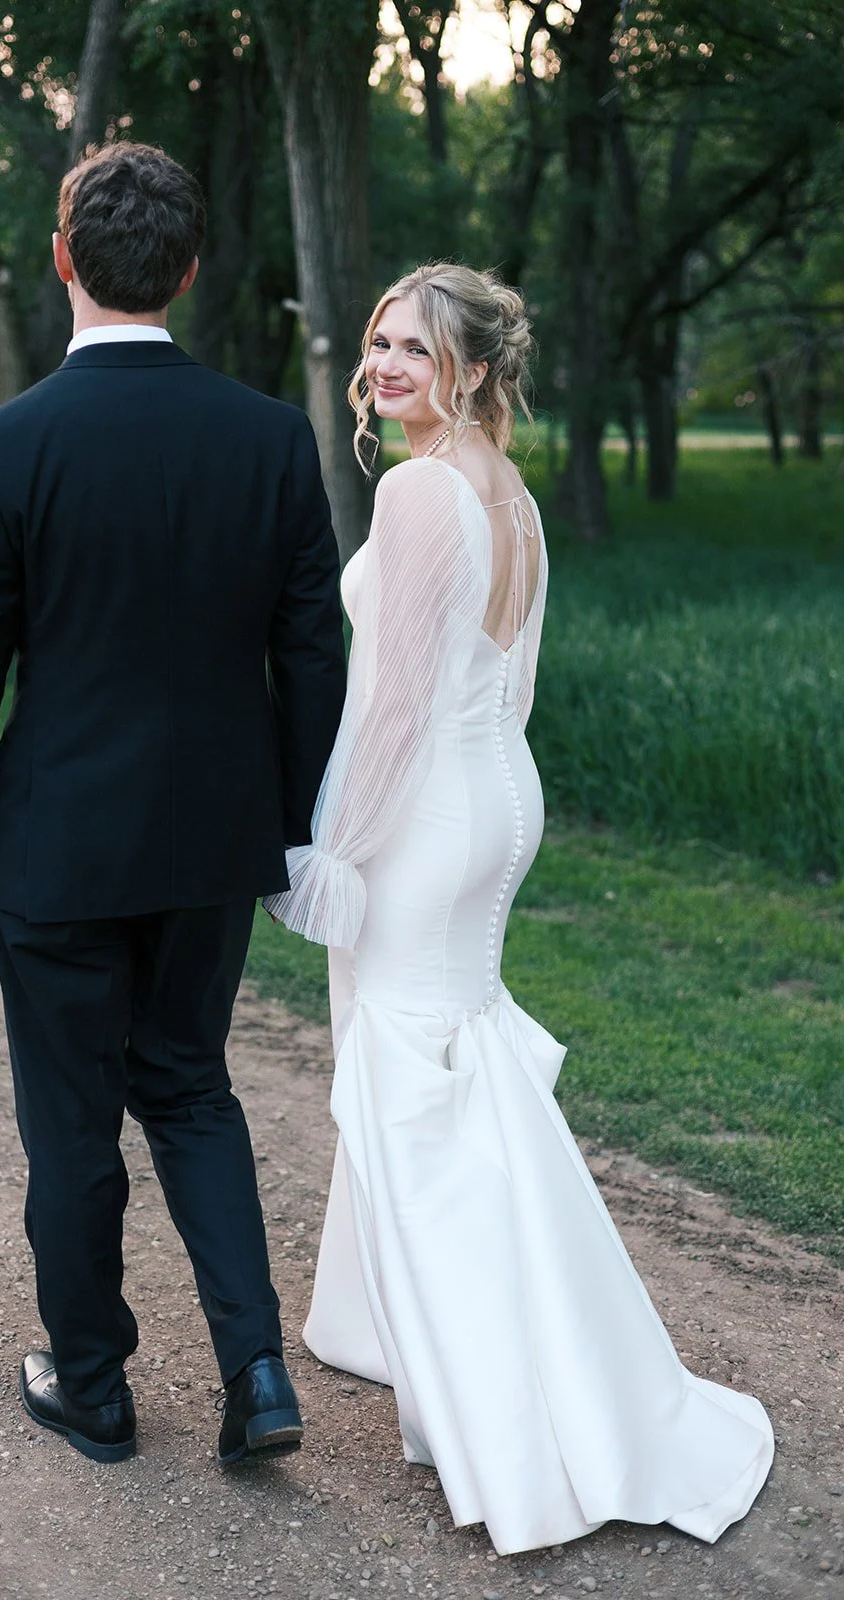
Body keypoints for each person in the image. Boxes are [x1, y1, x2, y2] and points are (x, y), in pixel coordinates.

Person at [264, 263, 774, 1553]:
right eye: (377, 345)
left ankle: (505, 1398)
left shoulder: (423, 489)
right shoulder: (514, 498)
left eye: (414, 353)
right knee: (459, 1058)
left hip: (428, 810)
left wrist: (329, 845)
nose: (384, 370)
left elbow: (388, 707)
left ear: (474, 371)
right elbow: (508, 683)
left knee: (408, 1082)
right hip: (496, 793)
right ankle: (376, 1325)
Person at [0, 142, 346, 1467]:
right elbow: (314, 648)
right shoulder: (268, 437)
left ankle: (92, 1388)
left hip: (60, 842)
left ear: (62, 260)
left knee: (71, 1121)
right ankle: (255, 1372)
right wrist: (290, 827)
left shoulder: (4, 447)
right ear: (190, 270)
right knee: (193, 1090)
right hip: (213, 837)